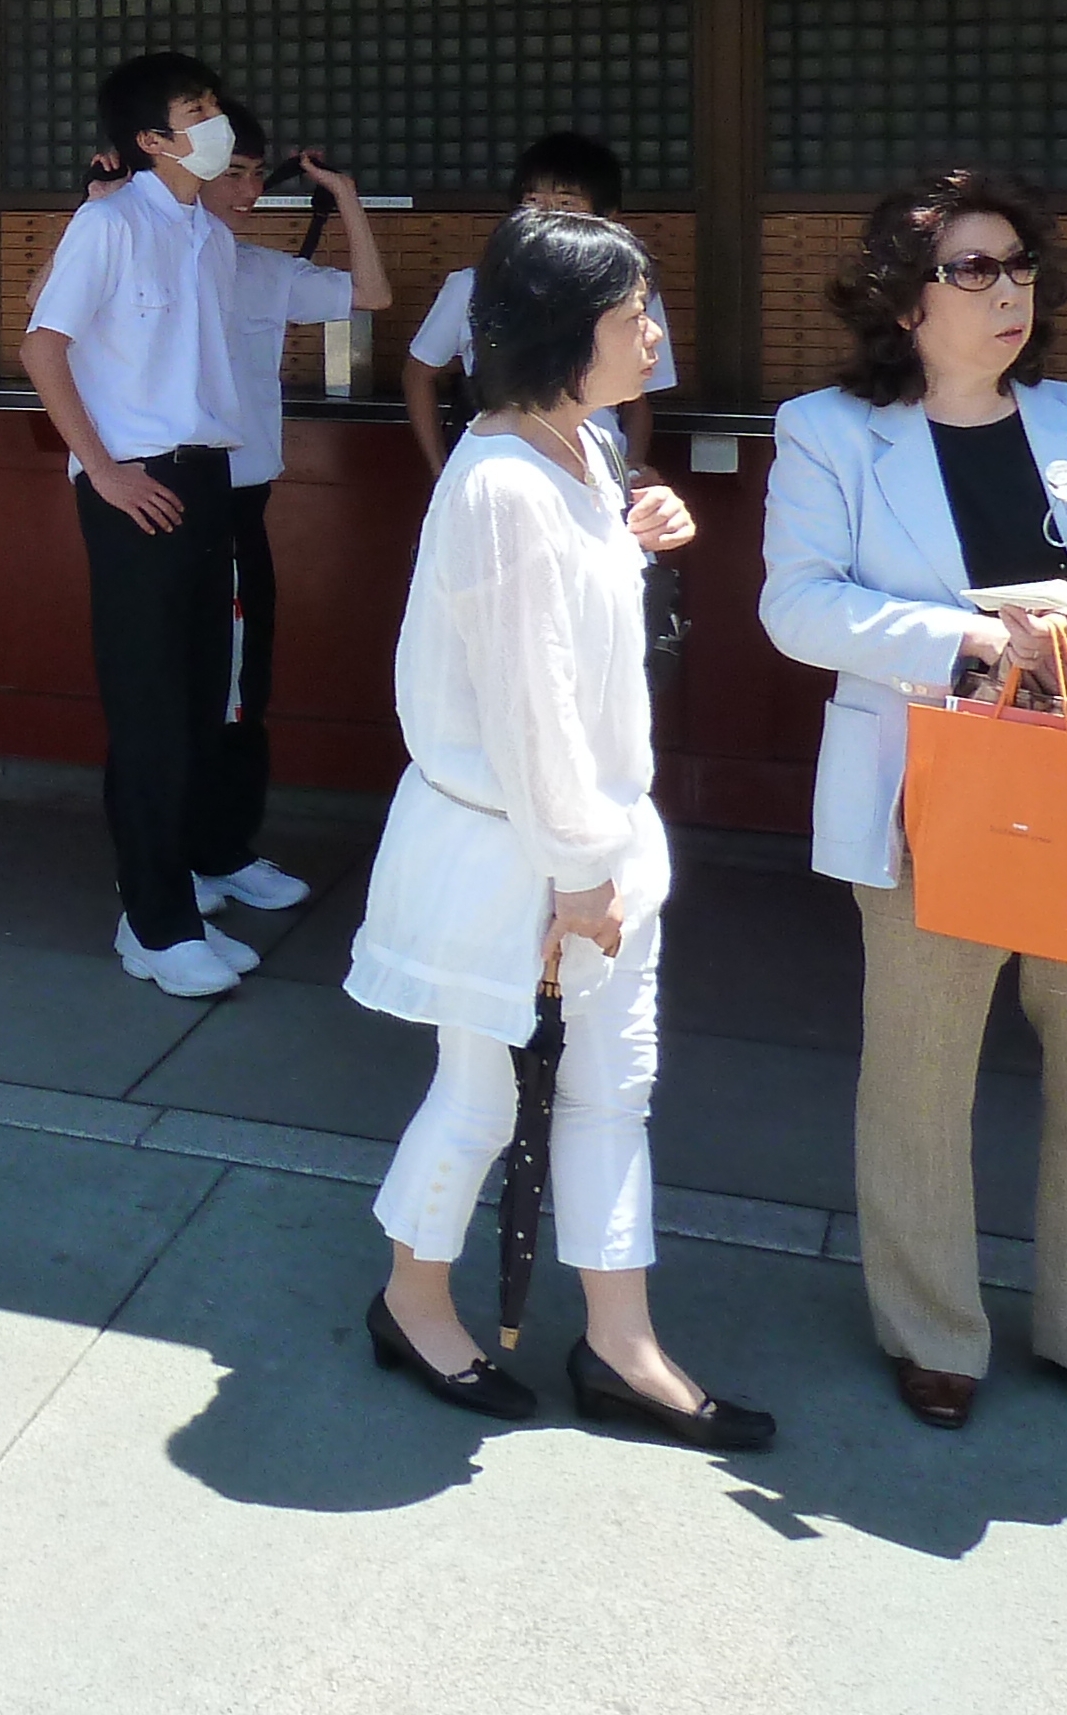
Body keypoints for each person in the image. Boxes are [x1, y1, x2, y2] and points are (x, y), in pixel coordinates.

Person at [761, 172, 1067, 1435]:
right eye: (971, 268)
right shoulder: (827, 430)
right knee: (919, 1073)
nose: (1008, 290)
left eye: (1017, 266)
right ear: (902, 298)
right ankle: (932, 1327)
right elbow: (795, 605)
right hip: (926, 788)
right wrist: (965, 639)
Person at [347, 209, 758, 1442]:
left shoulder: (577, 454)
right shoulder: (502, 485)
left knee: (611, 1088)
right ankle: (413, 1297)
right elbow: (527, 707)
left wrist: (636, 534)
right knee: (482, 1095)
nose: (653, 331)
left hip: (585, 841)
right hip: (521, 853)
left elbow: (568, 646)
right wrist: (577, 877)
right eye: (634, 312)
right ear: (564, 329)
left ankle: (620, 1339)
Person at [19, 50, 272, 998]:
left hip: (208, 479)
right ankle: (152, 923)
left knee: (204, 695)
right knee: (152, 706)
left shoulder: (204, 230)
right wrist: (107, 468)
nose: (218, 123)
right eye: (195, 111)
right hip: (138, 487)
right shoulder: (110, 223)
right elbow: (42, 346)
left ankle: (180, 901)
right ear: (151, 140)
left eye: (215, 104)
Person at [199, 104, 394, 917]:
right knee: (188, 686)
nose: (247, 189)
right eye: (233, 172)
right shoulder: (146, 261)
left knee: (246, 683)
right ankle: (174, 857)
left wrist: (342, 195)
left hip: (245, 501)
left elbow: (372, 294)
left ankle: (225, 848)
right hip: (176, 494)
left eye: (255, 173)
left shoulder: (263, 271)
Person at [405, 132, 675, 475]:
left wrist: (631, 469)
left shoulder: (630, 290)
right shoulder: (472, 286)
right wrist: (437, 467)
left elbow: (637, 403)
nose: (547, 217)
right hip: (509, 463)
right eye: (532, 202)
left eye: (566, 205)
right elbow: (418, 373)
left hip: (600, 469)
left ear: (606, 216)